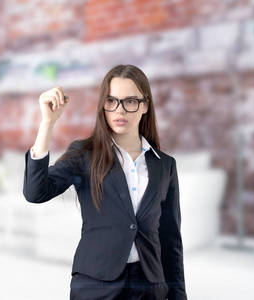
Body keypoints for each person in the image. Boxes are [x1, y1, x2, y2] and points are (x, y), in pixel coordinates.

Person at [23, 64, 187, 300]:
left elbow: (170, 239)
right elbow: (35, 192)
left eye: (130, 101)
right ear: (103, 106)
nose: (120, 110)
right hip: (96, 285)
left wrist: (179, 295)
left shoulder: (165, 165)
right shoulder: (84, 153)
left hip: (150, 286)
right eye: (112, 101)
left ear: (145, 106)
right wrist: (47, 123)